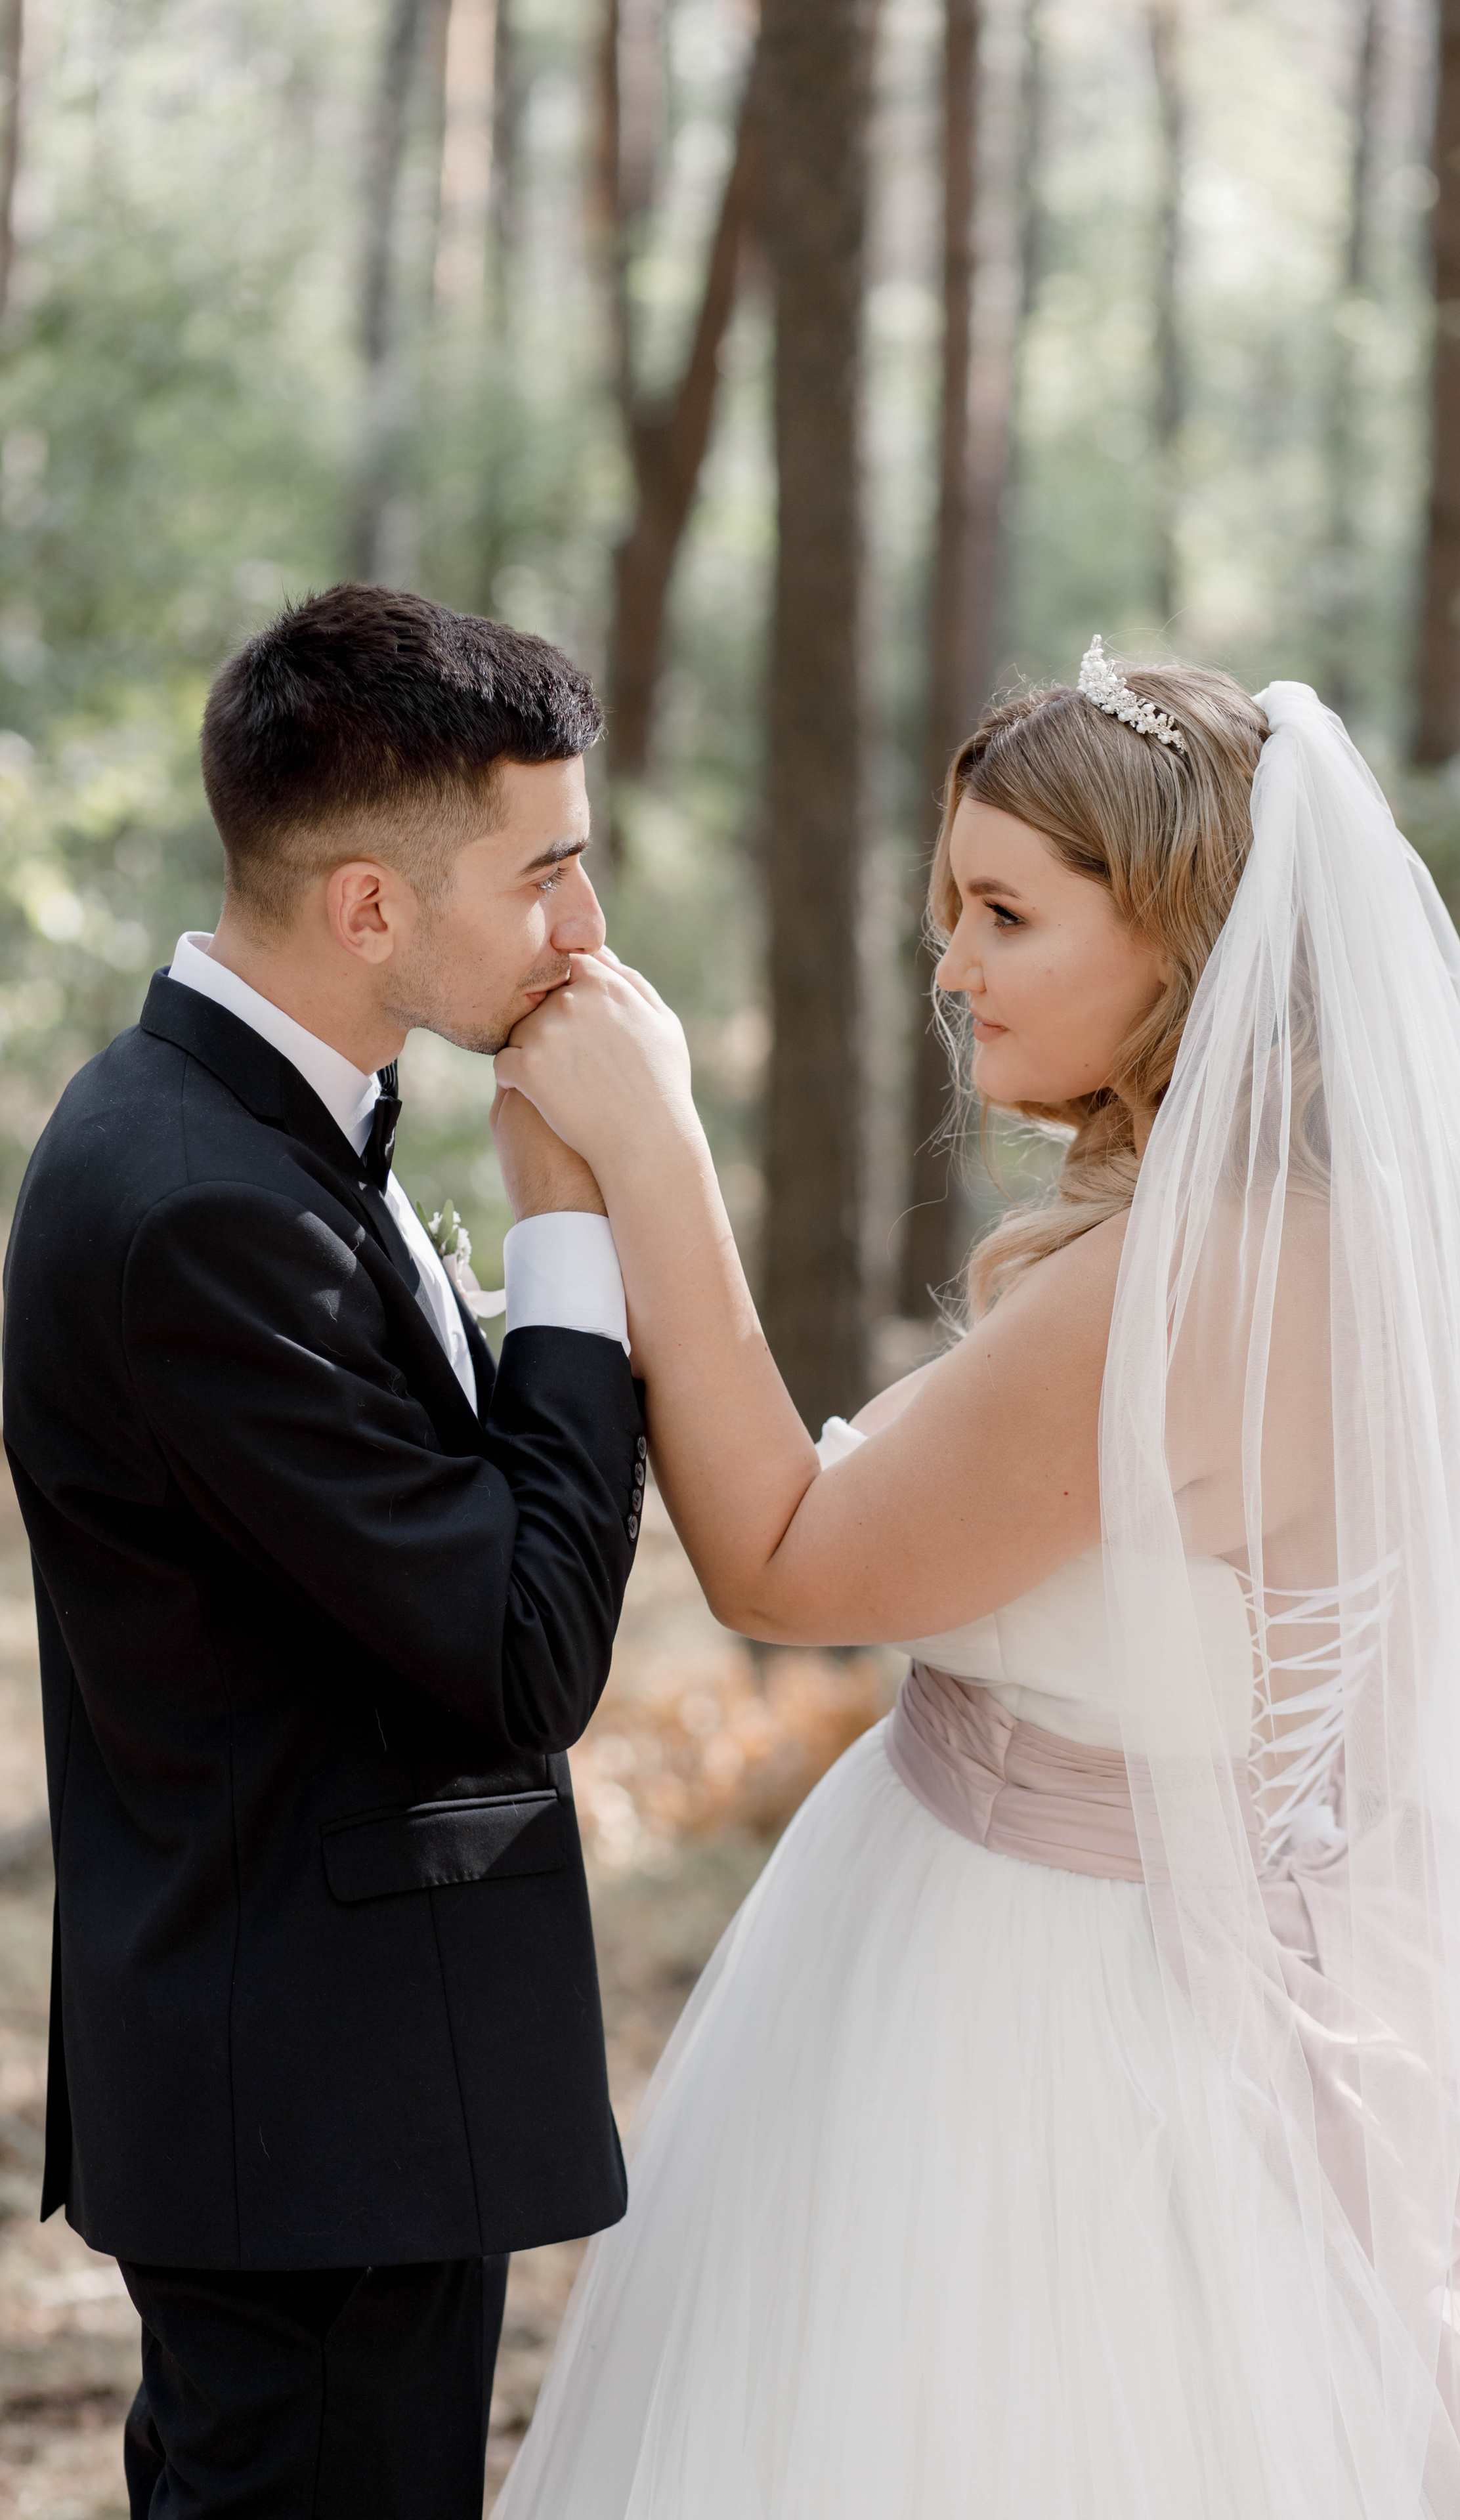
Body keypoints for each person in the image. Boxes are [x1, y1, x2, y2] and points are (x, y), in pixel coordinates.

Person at [490, 652, 1460, 2517]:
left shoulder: (1197, 1285)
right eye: (946, 910)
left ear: (1185, 942)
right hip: (1129, 1946)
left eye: (1006, 913)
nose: (950, 963)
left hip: (1057, 2023)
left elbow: (786, 1558)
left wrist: (649, 1153)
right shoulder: (1295, 1239)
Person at [1, 585, 649, 2519]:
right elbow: (529, 1648)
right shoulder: (201, 1208)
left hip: (332, 2095)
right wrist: (569, 1237)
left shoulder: (244, 1142)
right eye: (546, 873)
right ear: (371, 906)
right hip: (309, 2113)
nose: (584, 929)